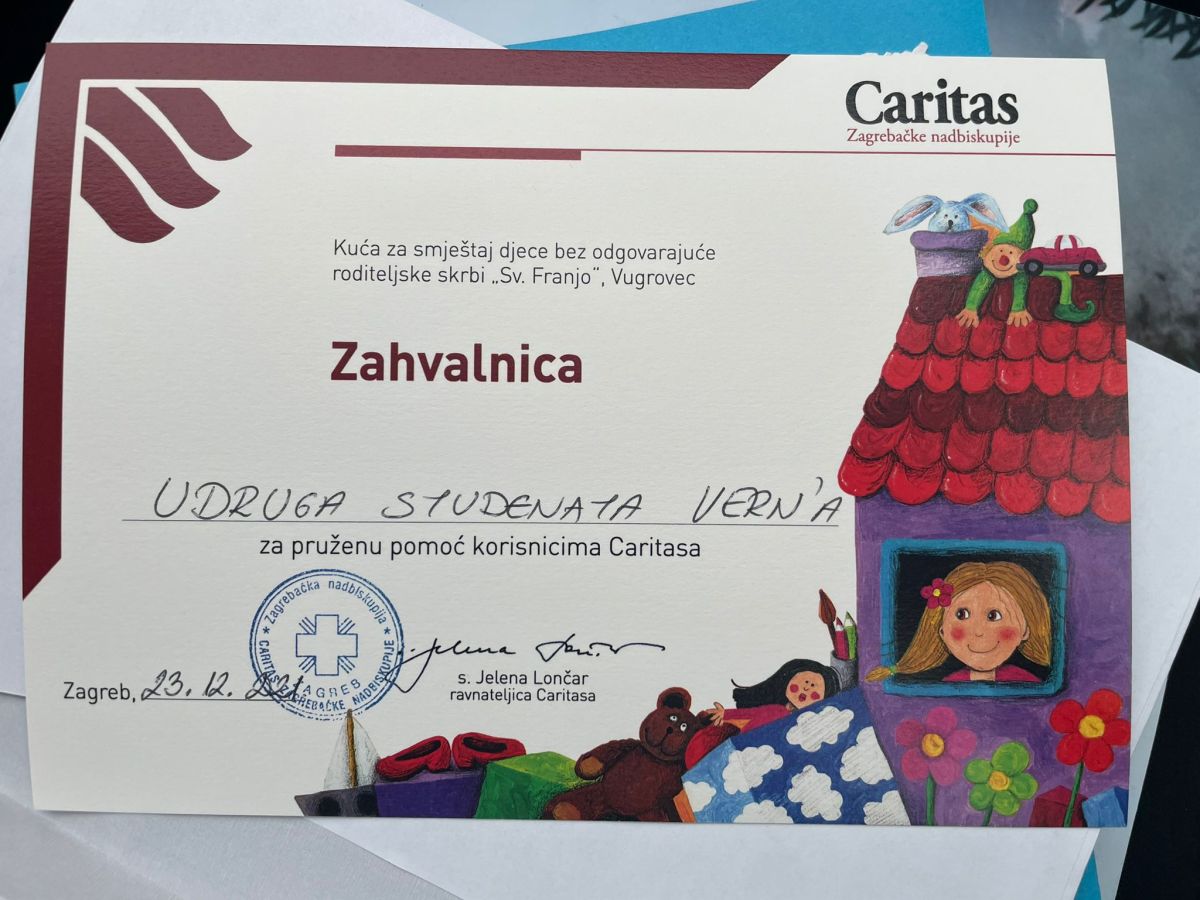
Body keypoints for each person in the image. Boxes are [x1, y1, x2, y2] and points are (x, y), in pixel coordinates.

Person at [866, 561, 1051, 685]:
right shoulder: (950, 685)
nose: (978, 631)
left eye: (994, 616)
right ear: (941, 631)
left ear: (1025, 630)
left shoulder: (1026, 683)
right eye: (962, 614)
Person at [684, 659, 842, 769]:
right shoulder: (775, 710)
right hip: (742, 753)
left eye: (814, 689)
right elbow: (750, 713)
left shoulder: (806, 727)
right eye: (805, 682)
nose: (806, 688)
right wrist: (725, 714)